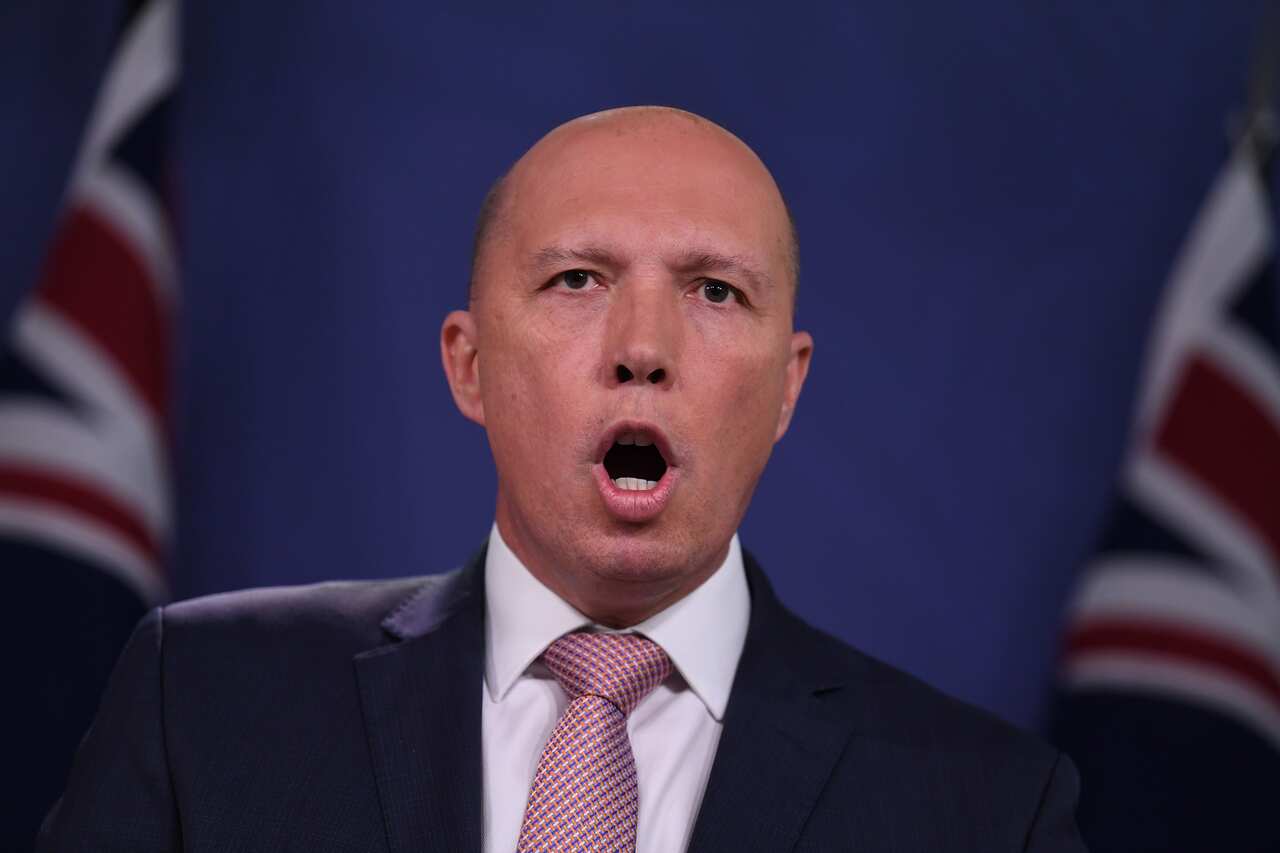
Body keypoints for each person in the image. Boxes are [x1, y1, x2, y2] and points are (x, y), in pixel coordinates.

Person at [39, 107, 1087, 852]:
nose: (643, 349)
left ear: (786, 387)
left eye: (714, 291)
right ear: (469, 364)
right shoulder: (203, 701)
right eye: (576, 279)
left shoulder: (985, 810)